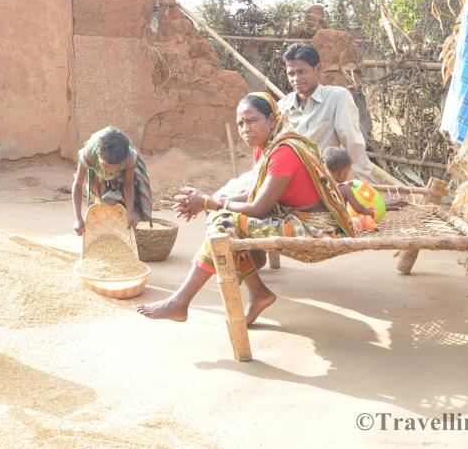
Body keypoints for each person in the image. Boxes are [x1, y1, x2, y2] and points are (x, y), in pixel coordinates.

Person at [135, 93, 351, 325]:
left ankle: (182, 301)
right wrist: (208, 202)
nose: (244, 128)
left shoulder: (283, 152)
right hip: (293, 216)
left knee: (224, 223)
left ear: (271, 121)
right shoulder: (267, 146)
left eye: (251, 121)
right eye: (240, 123)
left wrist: (209, 201)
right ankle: (257, 292)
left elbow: (259, 207)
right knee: (222, 216)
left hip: (314, 227)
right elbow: (257, 192)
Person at [279, 42, 376, 183]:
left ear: (318, 69)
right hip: (289, 182)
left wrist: (370, 189)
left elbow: (353, 146)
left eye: (301, 71)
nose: (296, 78)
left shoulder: (337, 97)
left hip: (324, 184)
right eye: (291, 73)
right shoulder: (282, 106)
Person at [72, 126, 153, 233]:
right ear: (97, 152)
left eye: (114, 167)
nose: (109, 171)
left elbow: (128, 185)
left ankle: (121, 222)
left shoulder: (129, 158)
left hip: (124, 169)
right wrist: (78, 217)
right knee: (101, 195)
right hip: (97, 169)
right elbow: (78, 184)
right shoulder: (89, 155)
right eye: (105, 165)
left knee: (128, 194)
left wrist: (130, 211)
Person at [322, 147, 378, 222]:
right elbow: (359, 208)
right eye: (348, 172)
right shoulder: (345, 189)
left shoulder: (321, 184)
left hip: (324, 222)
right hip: (340, 226)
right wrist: (370, 212)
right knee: (358, 221)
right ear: (342, 173)